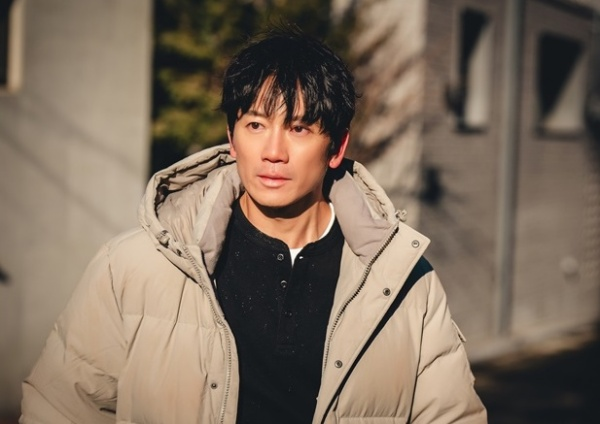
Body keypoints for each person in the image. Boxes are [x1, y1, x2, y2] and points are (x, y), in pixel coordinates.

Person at [20, 25, 487, 424]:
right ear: (232, 137)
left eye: (299, 129)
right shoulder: (136, 266)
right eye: (256, 125)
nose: (273, 152)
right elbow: (60, 408)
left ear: (337, 147)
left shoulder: (403, 282)